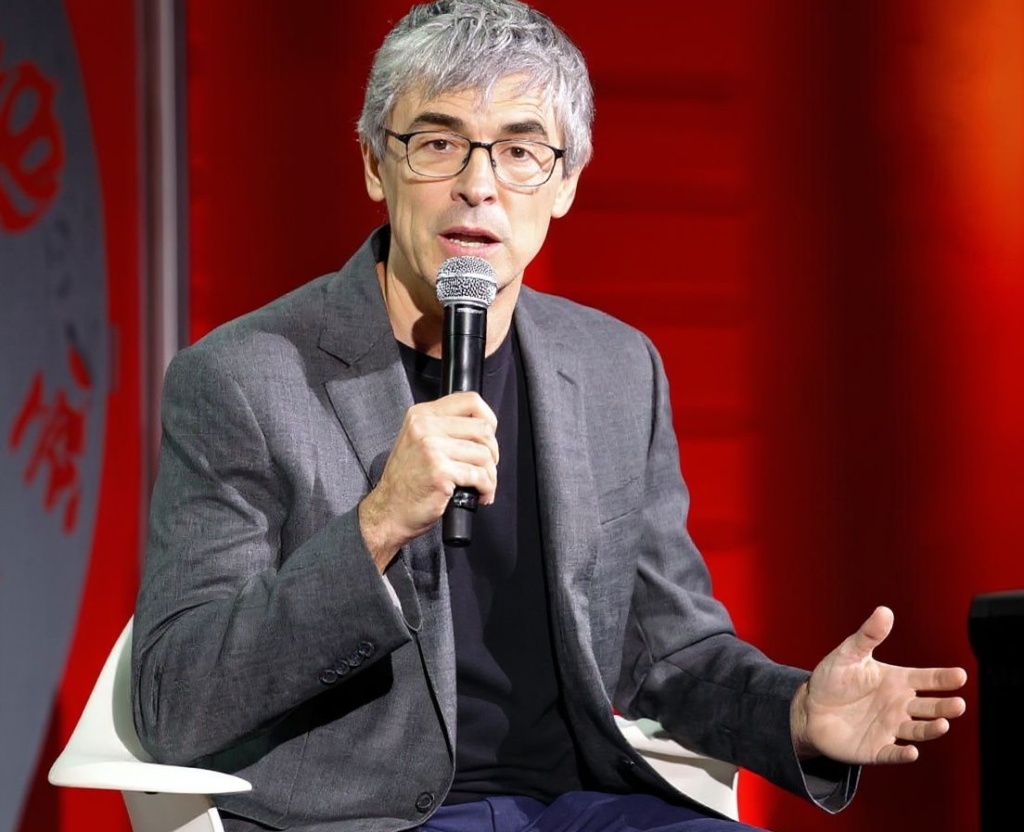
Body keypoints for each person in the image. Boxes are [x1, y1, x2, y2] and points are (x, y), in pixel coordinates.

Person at [131, 2, 968, 830]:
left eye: (521, 151)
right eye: (437, 143)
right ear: (373, 165)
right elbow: (177, 696)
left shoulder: (615, 368)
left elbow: (670, 652)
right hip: (374, 817)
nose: (478, 184)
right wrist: (376, 525)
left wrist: (796, 716)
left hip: (587, 803)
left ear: (564, 184)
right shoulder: (242, 380)